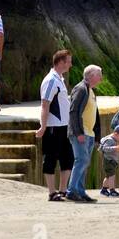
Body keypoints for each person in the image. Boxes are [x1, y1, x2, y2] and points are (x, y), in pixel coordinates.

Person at [34, 50, 74, 201]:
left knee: (67, 158)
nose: (70, 64)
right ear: (61, 62)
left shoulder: (59, 79)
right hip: (53, 126)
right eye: (68, 61)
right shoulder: (51, 80)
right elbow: (45, 104)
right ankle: (52, 191)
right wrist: (43, 126)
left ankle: (63, 190)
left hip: (64, 126)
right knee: (50, 159)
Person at [66, 65, 104, 202]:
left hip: (90, 133)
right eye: (99, 75)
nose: (101, 78)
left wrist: (96, 136)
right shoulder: (81, 88)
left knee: (84, 162)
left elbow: (95, 115)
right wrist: (78, 132)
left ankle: (80, 192)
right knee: (81, 160)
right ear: (91, 75)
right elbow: (73, 111)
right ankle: (71, 191)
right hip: (81, 133)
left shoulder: (91, 91)